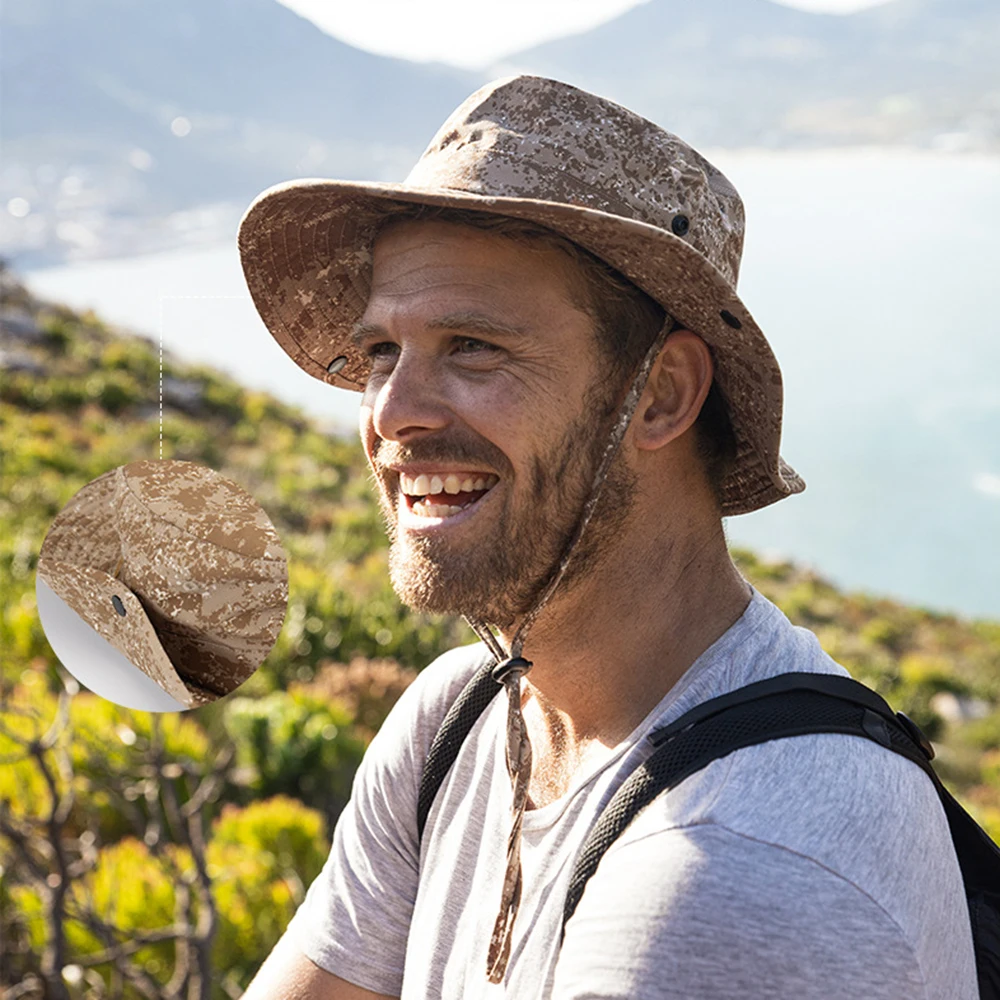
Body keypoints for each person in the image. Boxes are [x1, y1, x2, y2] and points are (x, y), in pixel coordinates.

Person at [237, 75, 976, 999]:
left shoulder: (739, 874)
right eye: (381, 351)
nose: (392, 412)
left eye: (473, 345)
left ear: (662, 394)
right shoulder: (457, 721)